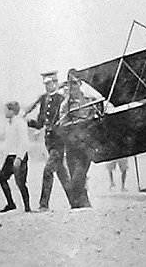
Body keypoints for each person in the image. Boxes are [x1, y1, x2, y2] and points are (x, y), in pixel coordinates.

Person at [27, 72, 70, 211]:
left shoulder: (61, 99)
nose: (47, 86)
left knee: (48, 171)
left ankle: (43, 205)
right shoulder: (44, 100)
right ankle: (76, 201)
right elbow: (40, 123)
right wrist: (27, 122)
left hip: (59, 140)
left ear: (55, 83)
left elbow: (65, 119)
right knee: (62, 174)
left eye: (49, 84)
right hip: (49, 141)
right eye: (45, 84)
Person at [58, 72, 101, 208]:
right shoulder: (65, 105)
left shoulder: (89, 101)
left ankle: (83, 203)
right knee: (74, 175)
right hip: (71, 145)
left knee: (79, 175)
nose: (73, 87)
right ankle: (80, 204)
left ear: (80, 84)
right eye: (70, 84)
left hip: (85, 144)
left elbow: (97, 118)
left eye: (75, 83)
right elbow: (62, 123)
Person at [0, 101, 31, 213]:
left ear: (12, 111)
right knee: (2, 178)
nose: (4, 112)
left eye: (6, 110)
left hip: (19, 157)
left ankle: (27, 208)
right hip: (10, 156)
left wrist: (19, 158)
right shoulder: (9, 123)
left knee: (20, 183)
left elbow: (24, 142)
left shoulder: (20, 123)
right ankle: (11, 204)